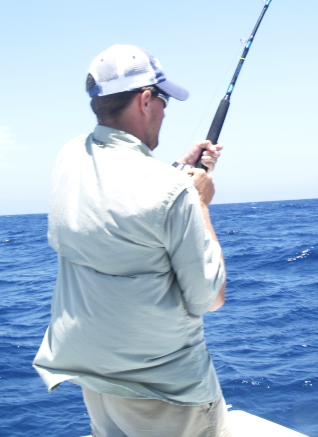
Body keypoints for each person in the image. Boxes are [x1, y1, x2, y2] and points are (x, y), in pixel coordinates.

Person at [33, 44, 231, 437]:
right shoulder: (174, 192)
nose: (164, 108)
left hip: (95, 378)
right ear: (144, 100)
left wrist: (179, 170)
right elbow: (210, 299)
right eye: (162, 99)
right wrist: (199, 202)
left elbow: (125, 196)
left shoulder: (69, 157)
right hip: (168, 395)